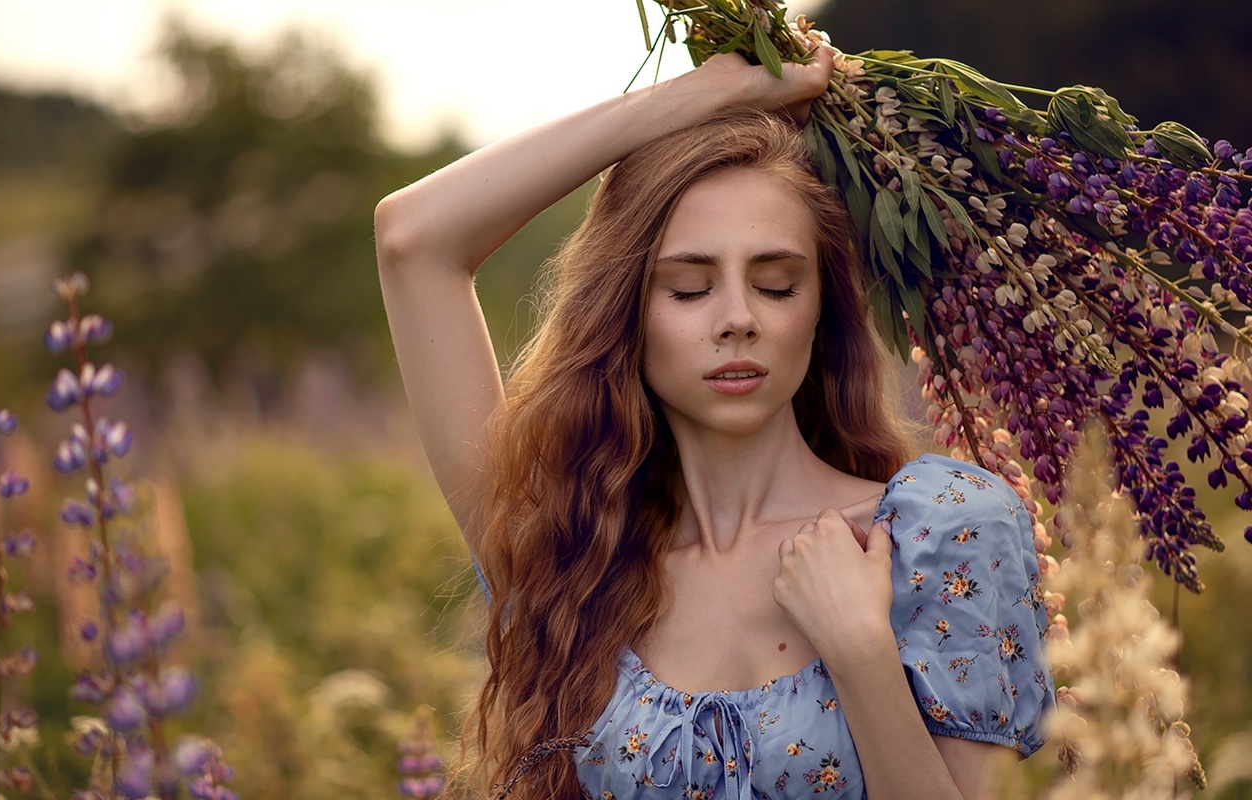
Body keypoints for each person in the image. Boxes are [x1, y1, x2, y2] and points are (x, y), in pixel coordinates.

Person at [374, 31, 1052, 800]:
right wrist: (696, 100)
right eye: (689, 289)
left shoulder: (939, 532)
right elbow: (413, 238)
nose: (736, 318)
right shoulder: (568, 557)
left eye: (776, 283)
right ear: (626, 313)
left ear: (821, 309)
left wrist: (861, 651)